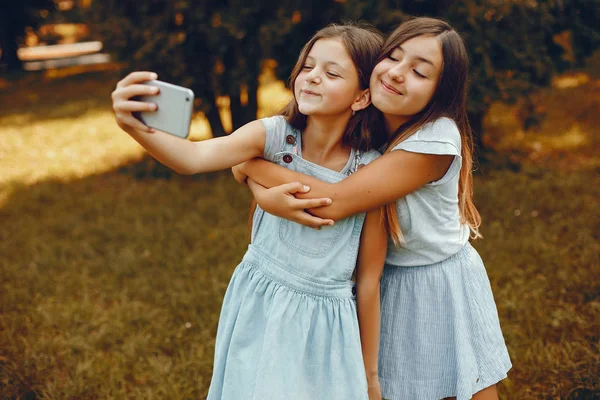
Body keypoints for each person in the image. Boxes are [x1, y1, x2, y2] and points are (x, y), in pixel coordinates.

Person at [233, 17, 512, 400]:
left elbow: (339, 199)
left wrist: (250, 167)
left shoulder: (436, 139)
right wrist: (254, 176)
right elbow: (289, 156)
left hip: (434, 279)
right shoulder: (366, 122)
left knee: (462, 385)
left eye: (418, 71)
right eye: (393, 57)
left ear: (440, 92)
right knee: (390, 387)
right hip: (377, 276)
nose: (397, 74)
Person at [111, 24, 389, 399]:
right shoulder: (273, 135)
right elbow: (194, 157)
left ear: (361, 97)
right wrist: (133, 126)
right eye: (308, 67)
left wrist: (370, 376)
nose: (313, 78)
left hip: (326, 327)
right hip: (259, 305)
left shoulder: (370, 172)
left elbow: (369, 281)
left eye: (332, 73)